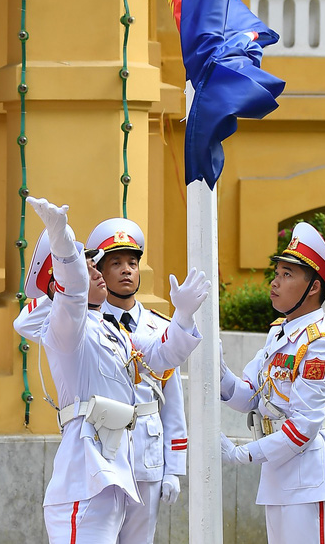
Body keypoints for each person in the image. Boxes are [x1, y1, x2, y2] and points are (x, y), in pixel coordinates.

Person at [13, 197, 210, 544]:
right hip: (89, 470)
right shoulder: (69, 328)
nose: (105, 274)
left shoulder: (112, 330)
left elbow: (163, 358)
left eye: (130, 262)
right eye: (96, 268)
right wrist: (60, 241)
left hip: (122, 464)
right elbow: (68, 294)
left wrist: (183, 318)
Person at [219, 221, 325, 544]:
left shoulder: (319, 345)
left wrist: (242, 454)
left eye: (287, 275)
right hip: (279, 476)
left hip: (310, 481)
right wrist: (218, 373)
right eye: (277, 274)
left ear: (314, 287)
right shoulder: (280, 332)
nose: (275, 283)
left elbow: (303, 428)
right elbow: (251, 395)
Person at [85, 218, 187, 544]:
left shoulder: (160, 329)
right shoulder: (88, 326)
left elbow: (172, 404)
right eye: (116, 263)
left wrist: (174, 468)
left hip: (148, 453)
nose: (127, 270)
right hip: (102, 450)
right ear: (99, 272)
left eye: (132, 263)